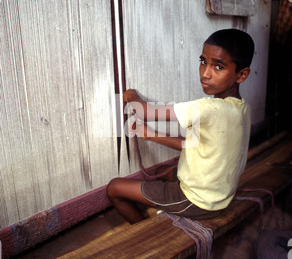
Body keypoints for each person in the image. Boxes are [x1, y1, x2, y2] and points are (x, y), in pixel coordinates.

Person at [107, 28, 254, 224]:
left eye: (218, 67)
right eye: (203, 62)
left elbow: (145, 111)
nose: (205, 74)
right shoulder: (241, 108)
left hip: (196, 201)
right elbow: (195, 144)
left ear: (241, 75)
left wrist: (132, 95)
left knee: (114, 188)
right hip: (220, 195)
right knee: (170, 174)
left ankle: (144, 231)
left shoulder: (210, 108)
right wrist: (151, 135)